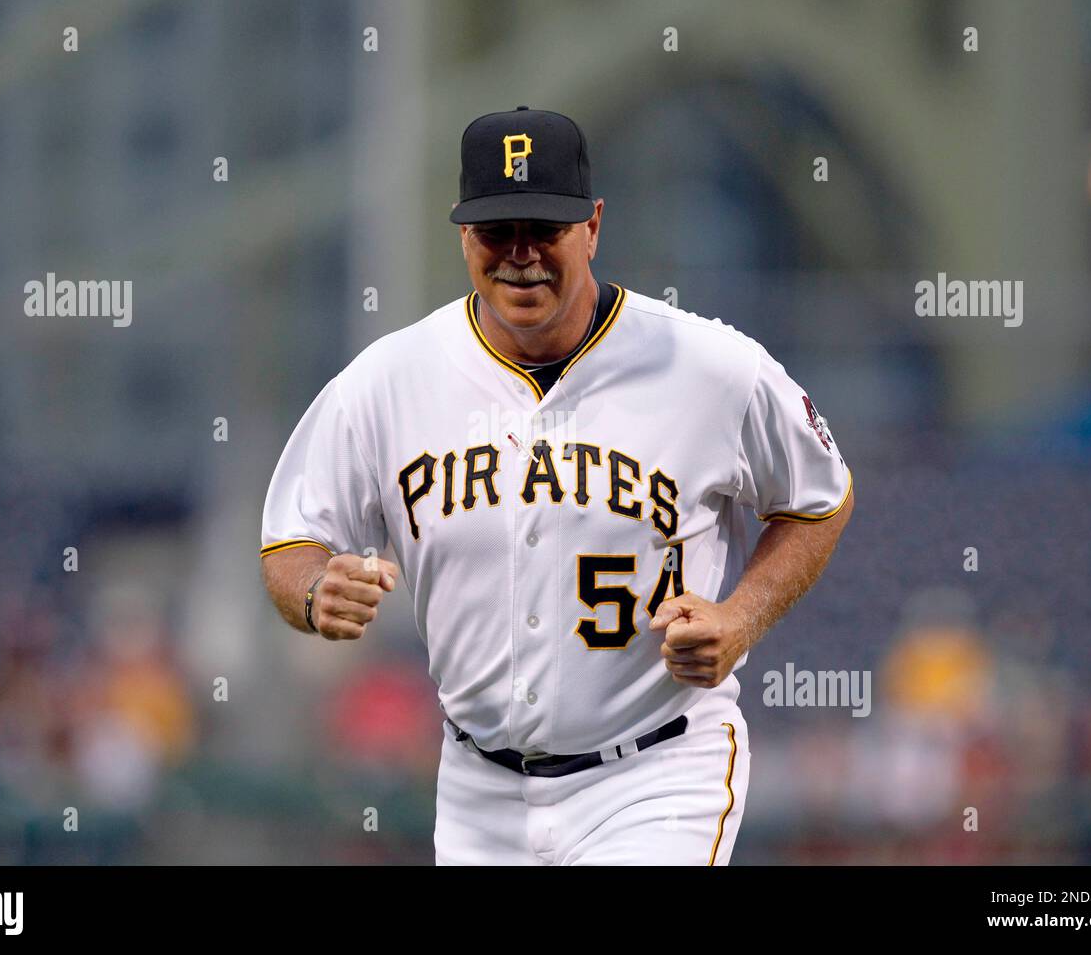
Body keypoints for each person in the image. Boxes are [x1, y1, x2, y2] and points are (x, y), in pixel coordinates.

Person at [261, 106, 854, 865]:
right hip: (479, 787)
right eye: (495, 231)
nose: (520, 256)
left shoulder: (711, 367)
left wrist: (741, 618)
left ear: (593, 226)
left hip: (656, 770)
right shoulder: (387, 381)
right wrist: (314, 591)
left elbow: (819, 498)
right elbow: (290, 540)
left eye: (543, 228)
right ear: (463, 236)